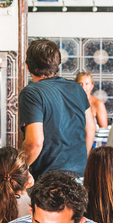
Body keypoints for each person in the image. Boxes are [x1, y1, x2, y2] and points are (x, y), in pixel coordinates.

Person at [19, 39, 94, 179]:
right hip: (79, 175)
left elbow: (34, 142)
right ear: (58, 65)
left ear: (27, 66)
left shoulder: (31, 93)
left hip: (49, 179)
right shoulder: (77, 88)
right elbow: (90, 128)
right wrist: (80, 161)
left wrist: (19, 170)